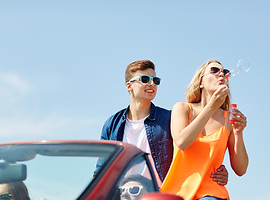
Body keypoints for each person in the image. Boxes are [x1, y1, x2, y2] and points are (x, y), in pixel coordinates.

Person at [95, 59, 228, 186]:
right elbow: (101, 169)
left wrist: (218, 169)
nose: (151, 84)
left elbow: (194, 148)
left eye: (155, 80)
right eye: (145, 79)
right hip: (121, 198)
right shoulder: (112, 124)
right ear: (129, 86)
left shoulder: (169, 118)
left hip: (159, 197)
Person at [160, 59, 249, 200]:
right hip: (175, 195)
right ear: (201, 81)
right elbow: (182, 142)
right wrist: (210, 107)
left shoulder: (227, 119)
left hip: (212, 194)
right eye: (215, 70)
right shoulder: (182, 108)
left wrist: (239, 132)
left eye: (225, 72)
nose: (221, 74)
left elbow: (241, 169)